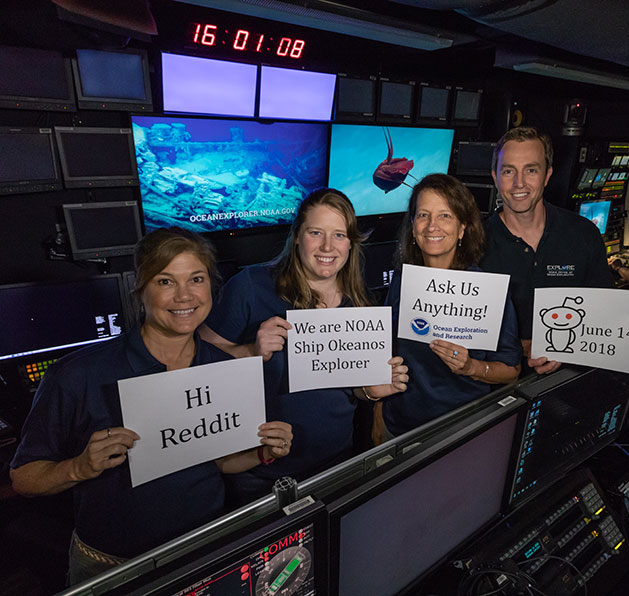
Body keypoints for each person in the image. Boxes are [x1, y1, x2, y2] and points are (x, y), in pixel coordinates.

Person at [10, 228, 293, 585]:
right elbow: (23, 478)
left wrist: (262, 453)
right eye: (165, 281)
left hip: (202, 553)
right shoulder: (77, 375)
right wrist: (79, 468)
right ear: (140, 288)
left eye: (196, 279)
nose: (184, 296)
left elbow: (218, 460)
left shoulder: (224, 368)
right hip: (111, 566)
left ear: (211, 287)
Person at [199, 188, 408, 505]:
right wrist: (250, 352)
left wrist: (371, 391)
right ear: (297, 237)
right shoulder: (252, 286)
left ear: (350, 244)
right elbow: (194, 363)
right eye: (316, 233)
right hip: (262, 475)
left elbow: (349, 389)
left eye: (339, 235)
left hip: (336, 466)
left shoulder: (359, 304)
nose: (327, 246)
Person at [480, 126, 629, 374]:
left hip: (570, 382)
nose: (519, 183)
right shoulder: (474, 242)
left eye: (531, 170)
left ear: (547, 175)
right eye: (508, 171)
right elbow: (464, 334)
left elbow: (604, 315)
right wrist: (520, 348)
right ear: (495, 177)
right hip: (501, 391)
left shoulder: (583, 234)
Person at [382, 173, 522, 437]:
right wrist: (378, 418)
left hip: (462, 430)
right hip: (399, 428)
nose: (432, 226)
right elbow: (385, 353)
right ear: (413, 227)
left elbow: (511, 371)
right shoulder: (401, 281)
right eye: (423, 215)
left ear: (462, 228)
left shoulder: (488, 292)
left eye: (445, 215)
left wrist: (472, 368)